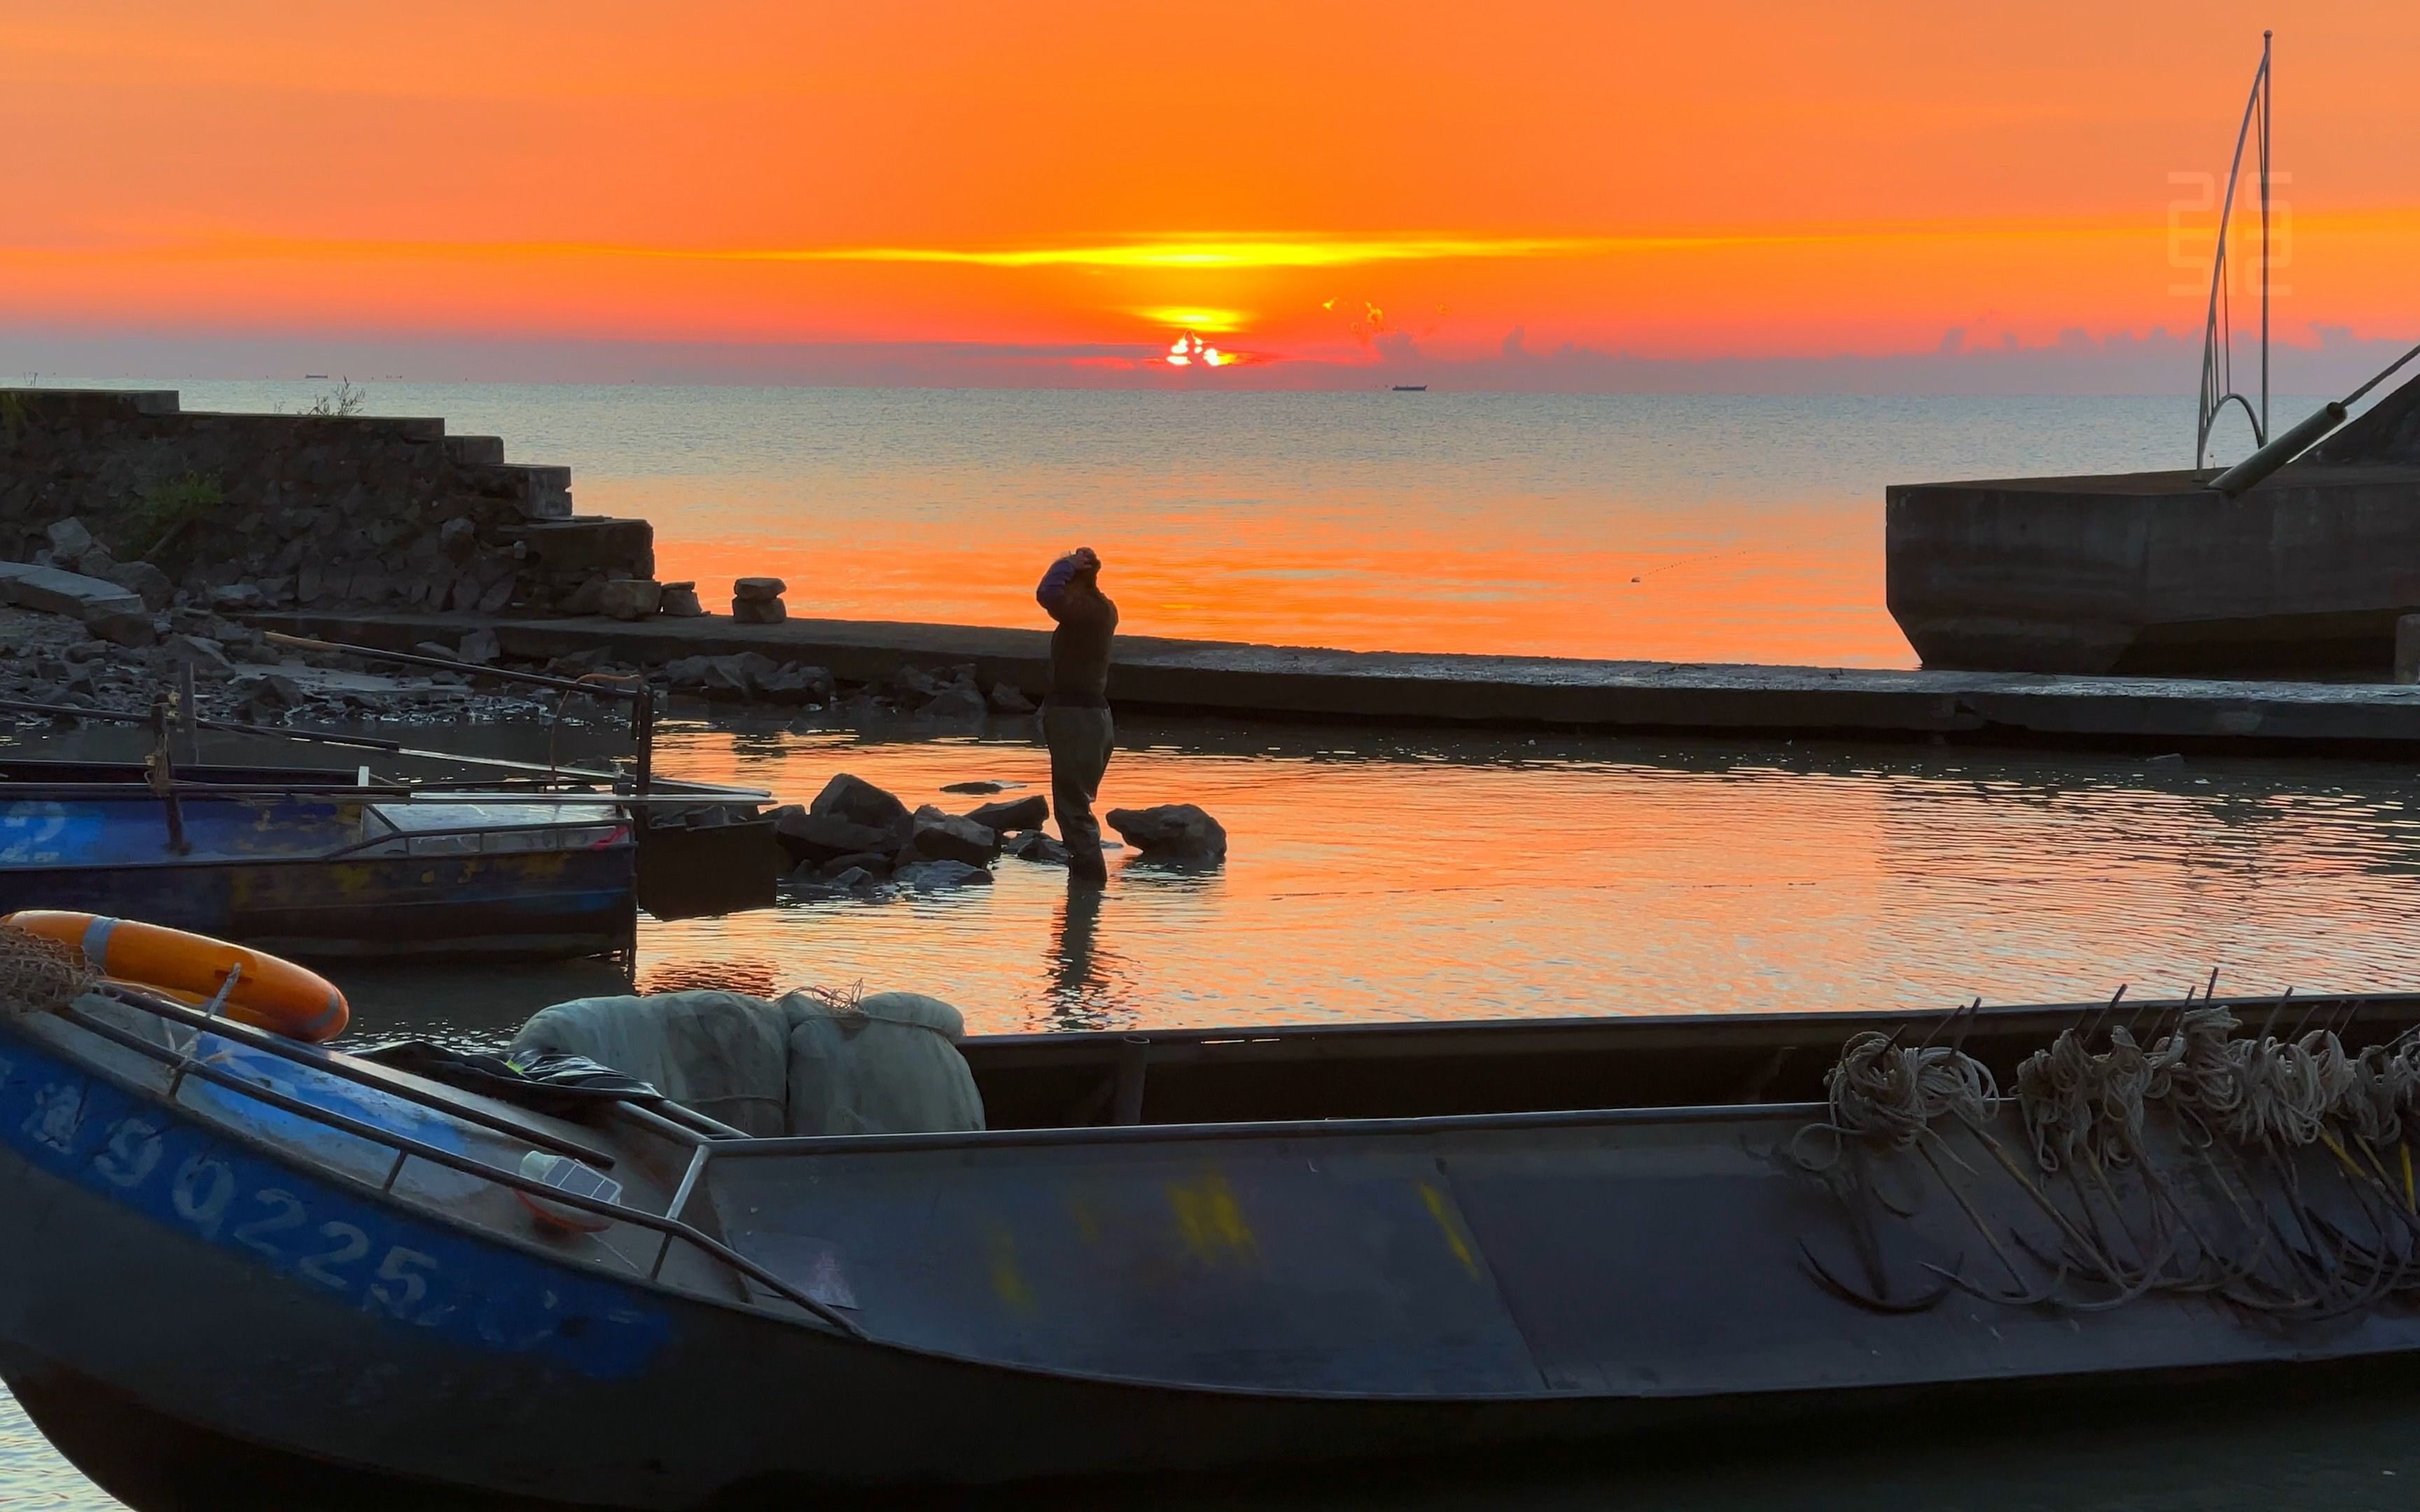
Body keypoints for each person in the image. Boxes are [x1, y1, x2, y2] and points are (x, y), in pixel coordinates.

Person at [1036, 547, 1118, 883]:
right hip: (1092, 717)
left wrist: (1065, 565)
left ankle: (1087, 887)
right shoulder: (1103, 608)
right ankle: (1082, 906)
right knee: (1077, 803)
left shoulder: (1085, 612)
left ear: (1075, 584)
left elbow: (1047, 593)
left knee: (1073, 809)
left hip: (1077, 717)